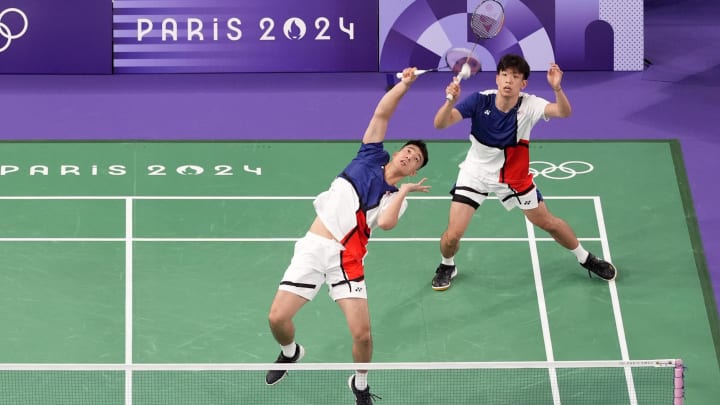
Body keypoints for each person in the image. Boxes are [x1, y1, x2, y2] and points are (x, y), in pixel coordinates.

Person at [265, 67, 430, 404]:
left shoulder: (395, 199)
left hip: (347, 260)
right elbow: (382, 112)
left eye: (416, 160)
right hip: (314, 248)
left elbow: (385, 224)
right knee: (277, 318)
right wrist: (404, 85)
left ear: (413, 171)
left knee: (363, 335)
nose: (410, 156)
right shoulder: (369, 154)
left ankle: (360, 383)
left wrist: (404, 192)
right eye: (408, 150)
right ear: (397, 151)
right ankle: (291, 351)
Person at [430, 54, 616, 292]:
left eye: (515, 76)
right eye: (505, 75)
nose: (509, 80)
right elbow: (440, 124)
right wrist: (449, 102)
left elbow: (563, 111)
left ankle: (585, 258)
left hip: (513, 177)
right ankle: (447, 265)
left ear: (523, 83)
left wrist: (557, 88)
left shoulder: (530, 105)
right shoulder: (480, 100)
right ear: (497, 78)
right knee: (452, 235)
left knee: (548, 222)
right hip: (475, 173)